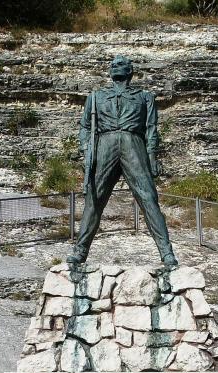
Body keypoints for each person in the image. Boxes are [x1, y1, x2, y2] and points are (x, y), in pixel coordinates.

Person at [69, 55, 178, 268]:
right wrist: (87, 151)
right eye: (112, 65)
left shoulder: (145, 96)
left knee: (148, 198)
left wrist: (152, 156)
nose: (114, 67)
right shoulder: (96, 96)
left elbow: (151, 128)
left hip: (133, 144)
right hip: (104, 145)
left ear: (130, 71)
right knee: (94, 200)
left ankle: (167, 253)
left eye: (119, 65)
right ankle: (80, 252)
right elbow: (84, 127)